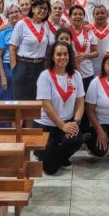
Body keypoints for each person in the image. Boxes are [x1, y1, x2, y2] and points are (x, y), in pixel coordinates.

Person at [34, 41, 86, 175]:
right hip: (46, 125)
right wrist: (63, 126)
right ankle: (44, 153)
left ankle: (61, 156)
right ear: (52, 57)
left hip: (67, 122)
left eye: (65, 54)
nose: (62, 57)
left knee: (75, 139)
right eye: (59, 54)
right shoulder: (45, 76)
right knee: (50, 169)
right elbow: (46, 105)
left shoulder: (76, 75)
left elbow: (80, 102)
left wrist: (76, 122)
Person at [10, 0, 51, 101]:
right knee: (20, 100)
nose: (43, 11)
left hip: (40, 67)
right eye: (40, 8)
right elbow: (12, 48)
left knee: (37, 100)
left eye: (45, 9)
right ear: (32, 9)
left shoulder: (45, 25)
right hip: (23, 66)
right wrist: (15, 70)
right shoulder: (21, 24)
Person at [0, 4, 23, 101]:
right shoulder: (3, 32)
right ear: (7, 16)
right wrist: (3, 77)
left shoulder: (26, 29)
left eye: (16, 12)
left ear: (21, 14)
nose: (14, 14)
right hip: (7, 68)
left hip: (22, 65)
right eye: (11, 13)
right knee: (7, 98)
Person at [69, 5, 98, 90]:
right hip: (71, 72)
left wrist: (85, 55)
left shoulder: (89, 32)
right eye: (75, 14)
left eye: (80, 14)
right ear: (70, 17)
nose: (78, 16)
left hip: (88, 73)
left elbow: (96, 52)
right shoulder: (65, 31)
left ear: (83, 17)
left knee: (87, 101)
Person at [90, 5, 109, 76]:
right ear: (93, 16)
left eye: (102, 13)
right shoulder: (88, 29)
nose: (100, 15)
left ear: (107, 14)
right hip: (92, 66)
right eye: (97, 13)